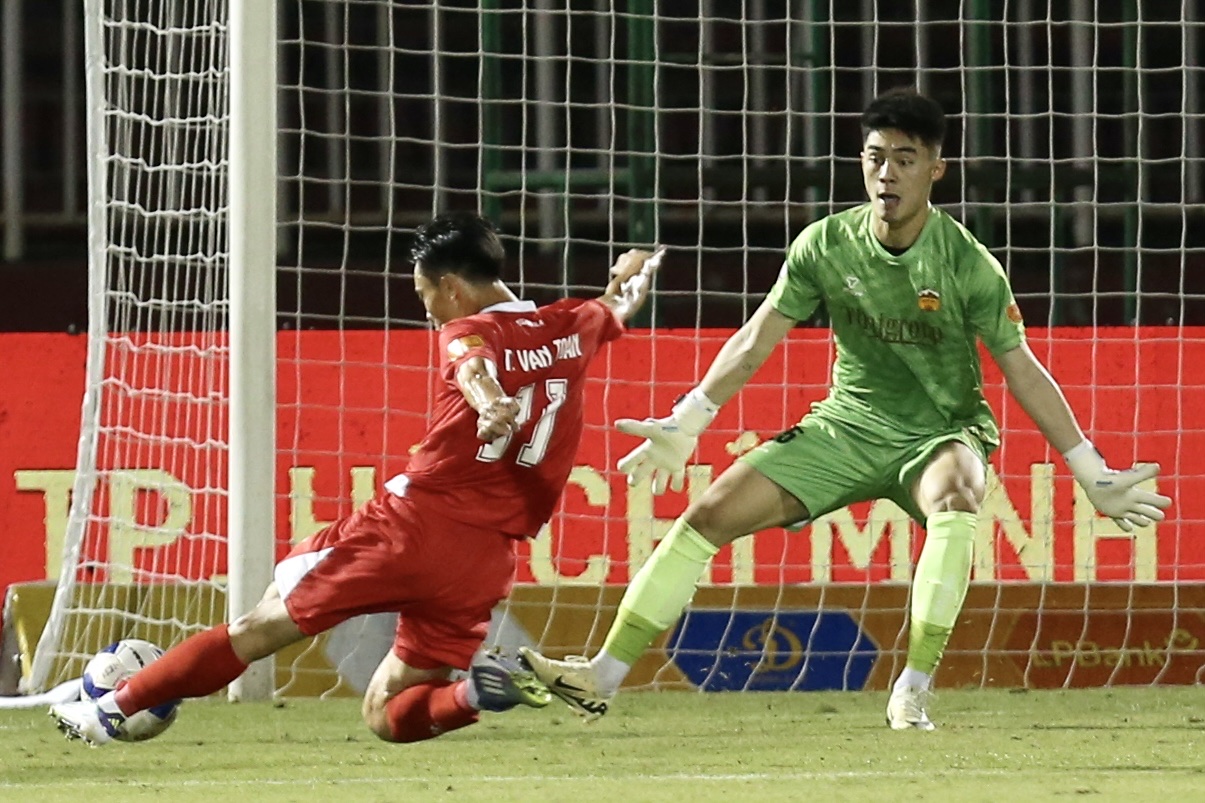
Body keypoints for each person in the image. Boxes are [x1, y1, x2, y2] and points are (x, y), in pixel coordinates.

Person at [519, 88, 1173, 730]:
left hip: (940, 433)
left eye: (904, 159)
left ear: (934, 170)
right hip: (845, 426)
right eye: (873, 156)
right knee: (706, 515)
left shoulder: (968, 265)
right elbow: (754, 340)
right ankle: (600, 674)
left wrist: (1088, 469)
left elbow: (1021, 370)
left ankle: (911, 690)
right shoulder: (823, 245)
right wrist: (685, 421)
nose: (885, 173)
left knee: (956, 497)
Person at [51, 212, 666, 746]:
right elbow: (616, 305)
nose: (425, 305)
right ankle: (477, 694)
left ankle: (112, 709)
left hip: (413, 528)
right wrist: (633, 275)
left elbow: (474, 367)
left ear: (451, 288)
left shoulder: (465, 332)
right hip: (486, 560)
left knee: (259, 625)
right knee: (385, 712)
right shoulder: (574, 324)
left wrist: (489, 403)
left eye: (425, 291)